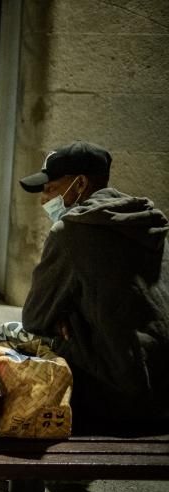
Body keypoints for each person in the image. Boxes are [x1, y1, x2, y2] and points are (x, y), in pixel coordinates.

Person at [18, 140, 169, 429]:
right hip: (163, 394)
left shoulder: (72, 231)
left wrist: (65, 317)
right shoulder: (148, 224)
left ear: (80, 184)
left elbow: (34, 318)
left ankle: (23, 470)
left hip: (119, 398)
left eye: (49, 188)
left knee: (11, 340)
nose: (43, 200)